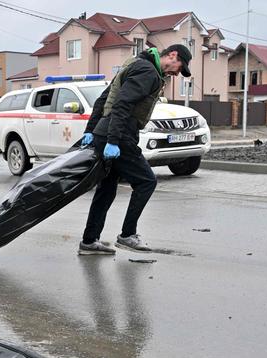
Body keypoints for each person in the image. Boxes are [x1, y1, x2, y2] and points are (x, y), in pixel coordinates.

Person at [78, 44, 192, 255]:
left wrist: (92, 130)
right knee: (147, 181)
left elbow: (104, 99)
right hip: (119, 135)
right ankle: (127, 235)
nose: (177, 72)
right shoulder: (148, 72)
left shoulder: (134, 64)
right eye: (179, 66)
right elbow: (122, 104)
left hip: (108, 132)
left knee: (107, 189)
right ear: (172, 55)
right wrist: (113, 140)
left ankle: (89, 241)